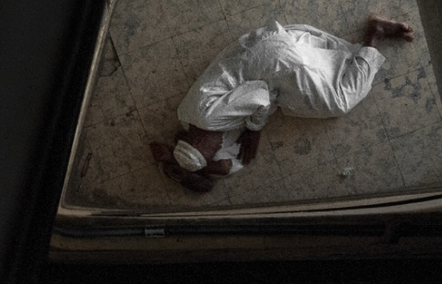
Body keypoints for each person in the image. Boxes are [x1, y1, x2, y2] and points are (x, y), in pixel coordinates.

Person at [149, 15, 415, 192]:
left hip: (270, 60)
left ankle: (375, 35)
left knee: (338, 102)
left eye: (211, 150)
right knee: (316, 98)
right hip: (260, 60)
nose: (219, 148)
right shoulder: (189, 119)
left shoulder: (208, 119)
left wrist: (254, 131)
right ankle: (365, 46)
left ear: (197, 141)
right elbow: (229, 164)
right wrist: (185, 167)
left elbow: (261, 95)